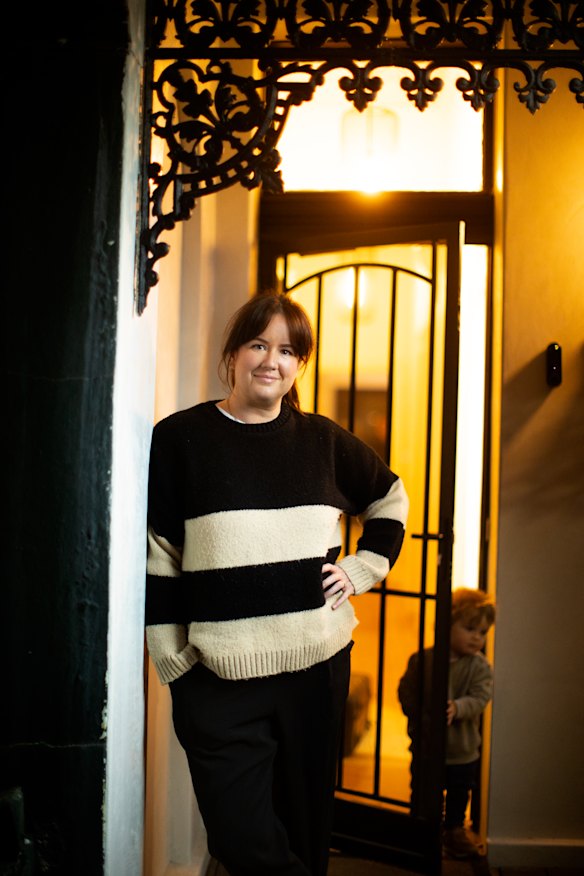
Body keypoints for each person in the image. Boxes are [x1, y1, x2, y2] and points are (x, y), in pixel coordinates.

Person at [145, 292, 409, 876]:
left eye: (288, 351)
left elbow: (390, 498)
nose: (272, 361)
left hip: (315, 671)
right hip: (218, 679)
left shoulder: (323, 441)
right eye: (259, 344)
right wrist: (174, 663)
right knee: (241, 838)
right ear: (233, 354)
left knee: (306, 833)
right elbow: (160, 554)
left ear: (299, 365)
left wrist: (362, 569)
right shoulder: (181, 439)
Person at [398, 587, 496, 860]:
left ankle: (454, 831)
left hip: (462, 751)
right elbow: (406, 690)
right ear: (447, 625)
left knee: (458, 794)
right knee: (423, 792)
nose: (477, 637)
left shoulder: (480, 667)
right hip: (427, 747)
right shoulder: (424, 659)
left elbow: (480, 697)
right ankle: (422, 831)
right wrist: (417, 716)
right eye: (470, 629)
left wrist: (458, 707)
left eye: (483, 632)